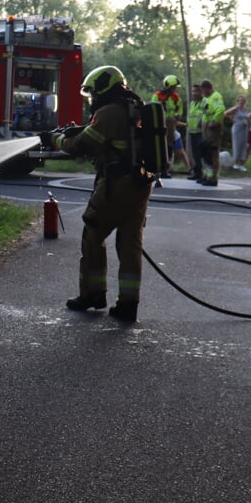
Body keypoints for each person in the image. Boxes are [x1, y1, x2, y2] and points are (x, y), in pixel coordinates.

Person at [53, 65, 154, 323]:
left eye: (92, 94)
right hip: (140, 184)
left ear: (103, 88)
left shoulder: (109, 112)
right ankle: (128, 305)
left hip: (116, 185)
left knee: (93, 234)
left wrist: (56, 140)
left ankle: (92, 295)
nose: (91, 99)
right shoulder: (133, 107)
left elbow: (80, 146)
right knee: (129, 243)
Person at [152, 75, 190, 177]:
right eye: (173, 87)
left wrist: (178, 116)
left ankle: (165, 169)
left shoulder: (176, 98)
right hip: (160, 124)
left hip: (171, 125)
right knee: (161, 147)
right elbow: (153, 108)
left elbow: (179, 110)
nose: (175, 89)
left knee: (168, 147)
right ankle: (160, 169)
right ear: (168, 86)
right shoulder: (158, 96)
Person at [196, 79, 225, 186]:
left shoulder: (216, 97)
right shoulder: (208, 98)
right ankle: (206, 176)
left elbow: (220, 110)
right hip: (206, 129)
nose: (202, 93)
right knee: (206, 152)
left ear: (207, 88)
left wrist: (214, 122)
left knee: (212, 153)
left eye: (203, 90)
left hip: (213, 129)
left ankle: (213, 178)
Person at [186, 81, 206, 181]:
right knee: (195, 154)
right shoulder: (193, 103)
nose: (193, 93)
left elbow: (205, 115)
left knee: (201, 154)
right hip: (193, 132)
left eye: (196, 91)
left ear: (201, 92)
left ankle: (202, 174)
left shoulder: (204, 102)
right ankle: (197, 173)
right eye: (193, 91)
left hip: (200, 132)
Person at [225, 95, 250, 170]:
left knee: (243, 145)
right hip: (237, 129)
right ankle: (236, 163)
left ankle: (241, 164)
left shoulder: (245, 109)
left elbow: (247, 118)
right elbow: (226, 113)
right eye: (240, 100)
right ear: (238, 101)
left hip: (244, 129)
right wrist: (233, 120)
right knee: (237, 145)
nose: (242, 102)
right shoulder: (236, 108)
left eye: (243, 100)